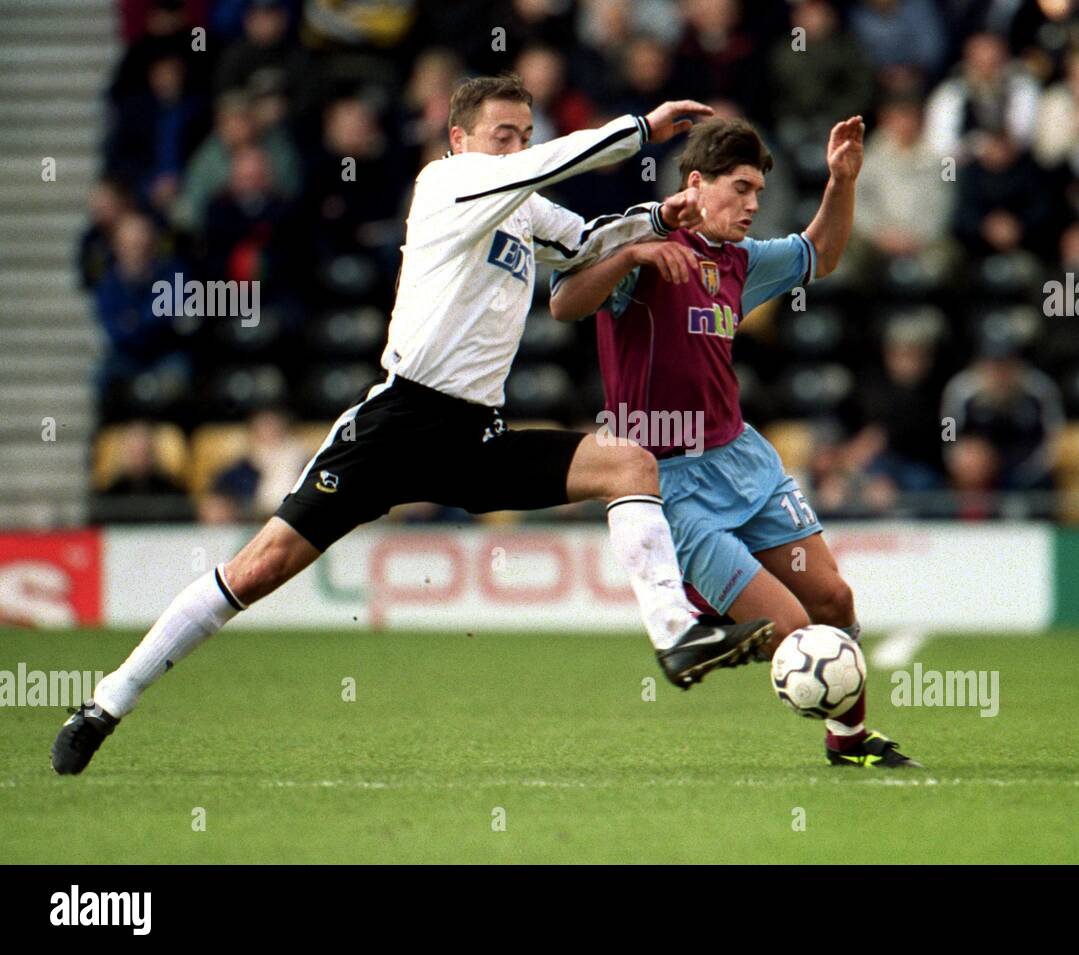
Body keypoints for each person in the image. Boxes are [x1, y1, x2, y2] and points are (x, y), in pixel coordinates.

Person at [53, 75, 773, 776]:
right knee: (260, 565)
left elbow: (584, 239)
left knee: (629, 463)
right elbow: (555, 165)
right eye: (503, 136)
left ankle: (677, 635)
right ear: (459, 140)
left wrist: (656, 219)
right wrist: (640, 130)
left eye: (525, 134)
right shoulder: (445, 183)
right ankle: (107, 701)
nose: (518, 147)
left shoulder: (520, 207)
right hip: (400, 421)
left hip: (473, 436)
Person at [549, 117, 917, 769]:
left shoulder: (741, 263)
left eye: (758, 191)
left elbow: (821, 254)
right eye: (741, 189)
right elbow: (565, 303)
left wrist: (841, 182)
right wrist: (630, 256)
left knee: (834, 599)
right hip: (668, 483)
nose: (752, 204)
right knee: (792, 628)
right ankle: (725, 649)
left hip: (742, 462)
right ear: (697, 184)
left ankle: (850, 740)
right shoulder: (647, 249)